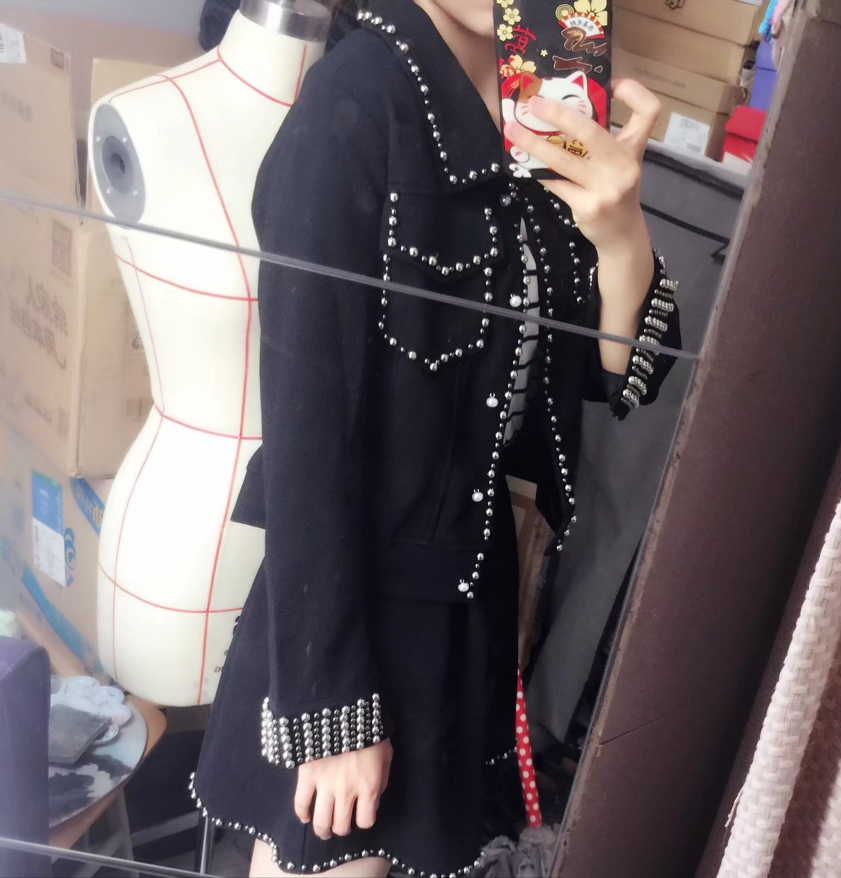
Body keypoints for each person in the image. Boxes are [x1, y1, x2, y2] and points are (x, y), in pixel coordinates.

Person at [191, 1, 681, 876]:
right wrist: (332, 711)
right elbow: (307, 442)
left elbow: (617, 381)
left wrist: (622, 233)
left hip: (472, 611)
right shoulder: (354, 108)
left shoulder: (541, 109)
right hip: (353, 619)